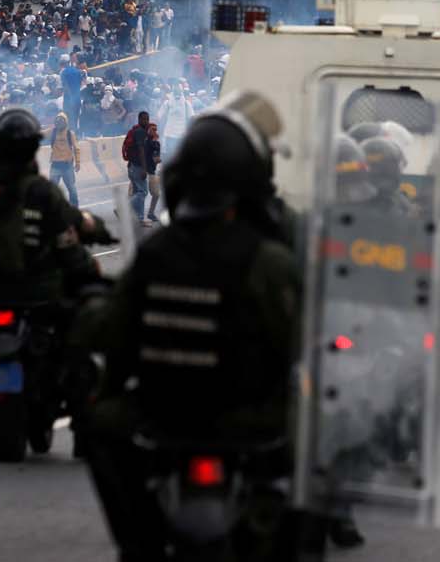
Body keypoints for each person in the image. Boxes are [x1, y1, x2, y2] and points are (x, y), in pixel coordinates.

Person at [81, 91, 303, 560]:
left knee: (100, 424)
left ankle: (137, 542)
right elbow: (299, 342)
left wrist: (88, 307)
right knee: (316, 428)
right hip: (249, 423)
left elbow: (109, 332)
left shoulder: (156, 255)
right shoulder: (270, 260)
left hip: (164, 414)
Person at [0, 107, 114, 423]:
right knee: (88, 311)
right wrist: (91, 239)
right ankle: (83, 408)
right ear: (33, 149)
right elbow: (72, 232)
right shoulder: (44, 193)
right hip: (40, 298)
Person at [121, 110, 151, 224]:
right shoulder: (140, 132)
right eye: (144, 119)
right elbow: (141, 151)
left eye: (147, 119)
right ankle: (123, 209)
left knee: (137, 193)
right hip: (138, 167)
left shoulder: (137, 131)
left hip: (132, 166)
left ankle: (139, 218)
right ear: (139, 120)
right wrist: (144, 168)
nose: (146, 121)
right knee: (143, 192)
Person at [48, 111, 82, 205]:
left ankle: (74, 208)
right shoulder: (53, 131)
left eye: (61, 121)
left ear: (65, 122)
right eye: (57, 121)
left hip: (67, 166)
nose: (59, 123)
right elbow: (41, 134)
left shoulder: (70, 133)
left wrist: (78, 162)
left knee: (72, 189)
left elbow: (76, 148)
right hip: (55, 165)